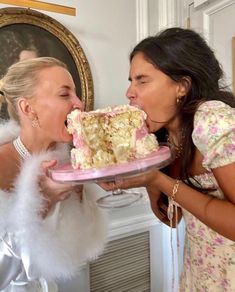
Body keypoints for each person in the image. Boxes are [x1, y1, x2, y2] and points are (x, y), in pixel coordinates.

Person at [100, 27, 235, 291]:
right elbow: (171, 219)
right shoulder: (164, 137)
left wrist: (158, 180)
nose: (129, 92)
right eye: (130, 81)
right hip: (201, 272)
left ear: (181, 86)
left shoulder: (212, 120)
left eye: (142, 80)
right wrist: (150, 179)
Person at [0, 57, 108, 291]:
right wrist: (43, 202)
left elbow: (84, 245)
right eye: (64, 94)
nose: (79, 103)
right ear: (27, 108)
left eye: (76, 94)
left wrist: (83, 192)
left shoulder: (69, 159)